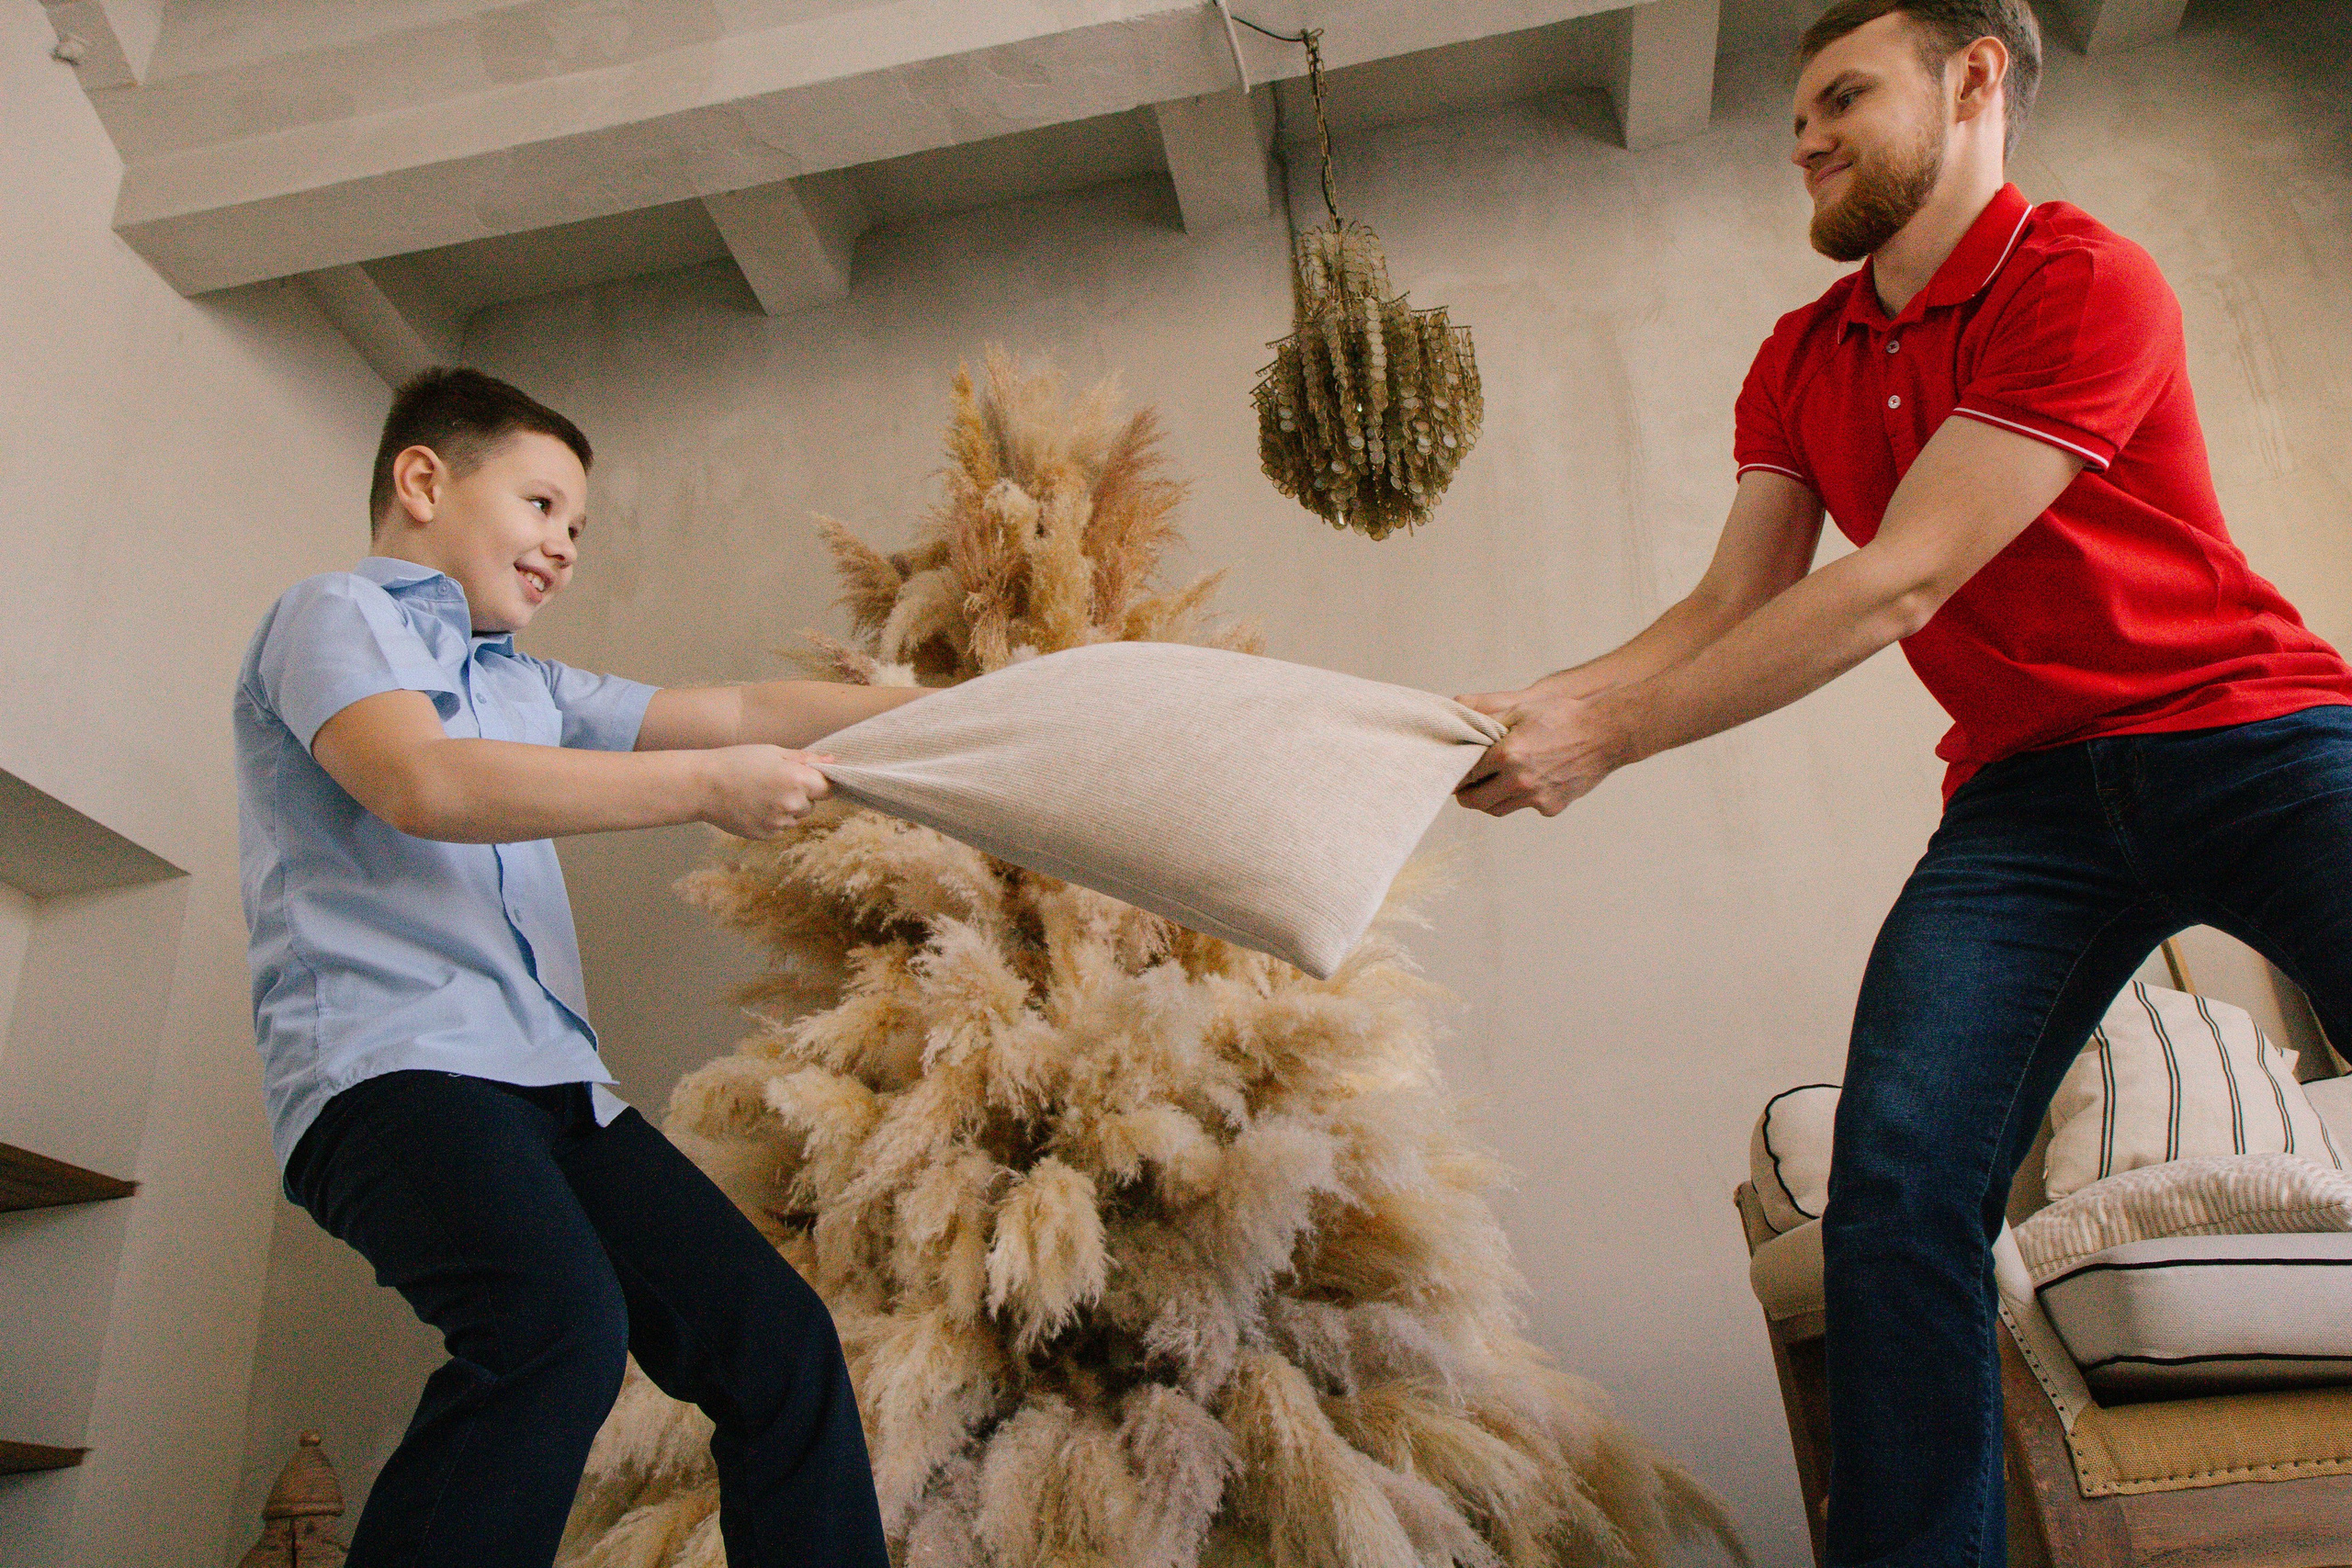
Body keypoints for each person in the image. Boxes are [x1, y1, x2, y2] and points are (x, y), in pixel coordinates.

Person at [1452, 3, 2352, 1563]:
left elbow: (1902, 583)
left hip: (2249, 737)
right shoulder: (1799, 359)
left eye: (1842, 97)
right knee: (1895, 1193)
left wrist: (1601, 743)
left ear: (1976, 78)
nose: (1801, 135)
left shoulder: (2082, 277)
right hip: (2029, 809)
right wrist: (1537, 702)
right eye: (1797, 111)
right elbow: (1727, 605)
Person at [235, 367, 922, 1568]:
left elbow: (738, 708)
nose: (562, 547)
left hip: (553, 1091)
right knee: (553, 1326)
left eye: (577, 529)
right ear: (422, 479)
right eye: (543, 506)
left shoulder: (528, 685)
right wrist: (711, 793)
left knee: (779, 1349)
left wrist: (937, 714)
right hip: (390, 1074)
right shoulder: (333, 617)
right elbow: (424, 782)